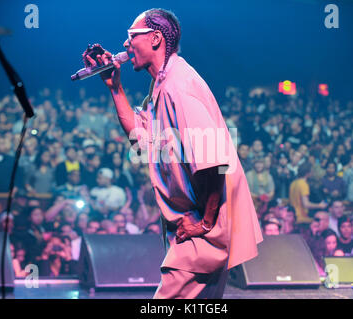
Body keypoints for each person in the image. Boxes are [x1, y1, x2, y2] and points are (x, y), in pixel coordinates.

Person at [84, 8, 262, 298]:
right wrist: (115, 88)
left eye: (132, 36)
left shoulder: (178, 87)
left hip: (201, 229)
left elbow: (214, 161)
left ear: (155, 38)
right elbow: (141, 142)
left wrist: (204, 223)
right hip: (194, 225)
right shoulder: (162, 83)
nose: (126, 44)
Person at [289, 161, 327, 225]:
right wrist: (320, 205)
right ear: (307, 173)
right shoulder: (303, 184)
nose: (312, 173)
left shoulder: (293, 183)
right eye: (311, 171)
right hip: (301, 217)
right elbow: (306, 204)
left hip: (292, 215)